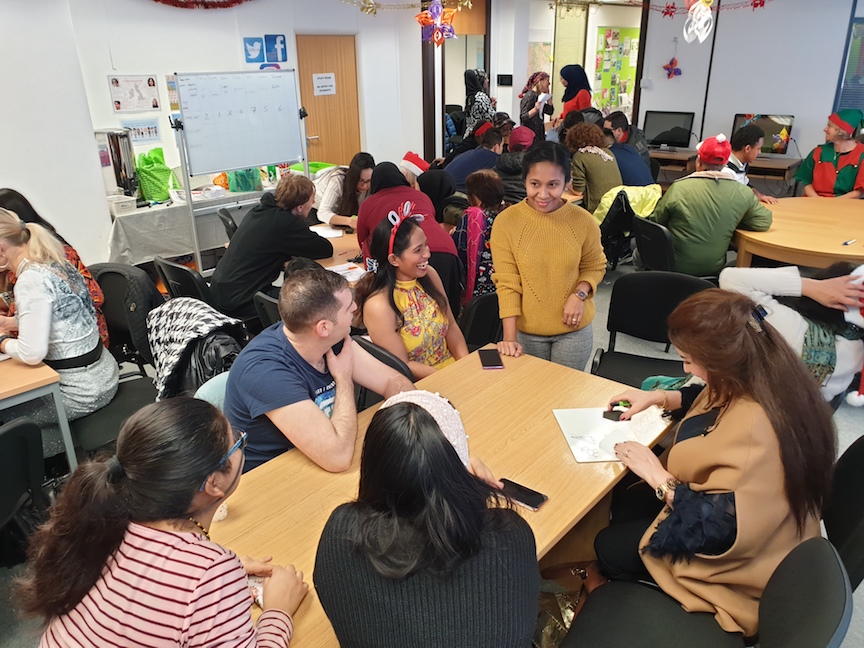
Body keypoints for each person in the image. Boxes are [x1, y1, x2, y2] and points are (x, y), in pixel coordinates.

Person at [594, 289, 836, 637]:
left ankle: (626, 602)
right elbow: (709, 396)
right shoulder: (767, 371)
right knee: (627, 501)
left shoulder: (757, 430)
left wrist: (658, 477)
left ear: (719, 362)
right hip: (768, 522)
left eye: (688, 360)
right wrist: (657, 396)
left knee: (608, 545)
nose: (685, 368)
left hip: (744, 554)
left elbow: (720, 528)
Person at [17, 398, 308, 647]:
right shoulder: (208, 575)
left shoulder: (105, 519)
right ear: (213, 483)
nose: (241, 441)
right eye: (238, 441)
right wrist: (278, 610)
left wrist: (218, 581)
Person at [315, 390, 539, 647]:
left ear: (374, 467)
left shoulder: (341, 535)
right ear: (457, 470)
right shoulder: (512, 535)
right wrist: (472, 496)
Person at [224, 263, 414, 473]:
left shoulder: (329, 338)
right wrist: (343, 379)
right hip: (274, 477)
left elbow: (393, 381)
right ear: (324, 327)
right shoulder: (266, 371)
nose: (355, 308)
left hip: (317, 456)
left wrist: (415, 421)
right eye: (348, 307)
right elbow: (338, 458)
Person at [490, 142, 606, 371]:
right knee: (529, 390)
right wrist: (509, 338)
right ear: (524, 181)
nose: (543, 194)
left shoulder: (583, 221)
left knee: (567, 391)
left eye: (553, 184)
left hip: (573, 330)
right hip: (526, 332)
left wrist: (580, 295)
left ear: (567, 182)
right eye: (535, 184)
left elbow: (595, 265)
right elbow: (507, 283)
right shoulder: (506, 222)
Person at [0, 208, 118, 425]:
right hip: (103, 374)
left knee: (5, 411)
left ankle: (57, 446)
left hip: (79, 393)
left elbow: (31, 353)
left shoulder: (30, 280)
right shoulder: (52, 259)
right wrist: (10, 323)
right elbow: (62, 315)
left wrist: (2, 341)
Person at [719, 264, 864, 406]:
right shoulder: (855, 358)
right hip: (789, 416)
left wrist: (812, 286)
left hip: (733, 402)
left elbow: (731, 279)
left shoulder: (786, 325)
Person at [356, 213, 468, 379]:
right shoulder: (378, 305)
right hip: (424, 383)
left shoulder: (429, 275)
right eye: (418, 250)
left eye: (426, 245)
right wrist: (451, 378)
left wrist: (467, 367)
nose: (427, 254)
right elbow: (403, 365)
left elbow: (451, 325)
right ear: (394, 259)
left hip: (454, 372)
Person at [209, 174, 334, 319]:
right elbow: (325, 249)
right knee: (311, 300)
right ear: (300, 207)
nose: (313, 202)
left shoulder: (260, 210)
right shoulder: (286, 223)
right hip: (242, 300)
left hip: (221, 292)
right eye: (312, 199)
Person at [649, 134, 772, 277]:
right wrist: (729, 221)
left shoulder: (679, 188)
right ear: (725, 163)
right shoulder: (743, 192)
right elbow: (764, 221)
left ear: (698, 162)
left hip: (674, 266)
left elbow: (655, 223)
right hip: (713, 269)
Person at [0, 188, 108, 348]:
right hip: (38, 342)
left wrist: (7, 330)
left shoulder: (55, 257)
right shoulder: (15, 264)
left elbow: (94, 298)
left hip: (76, 346)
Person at [356, 163, 461, 313]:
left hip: (408, 255)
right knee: (445, 309)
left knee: (411, 311)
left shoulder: (368, 204)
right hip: (445, 250)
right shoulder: (421, 196)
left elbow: (362, 239)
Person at [453, 169, 505, 305]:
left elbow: (460, 251)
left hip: (479, 290)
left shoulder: (472, 217)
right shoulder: (508, 215)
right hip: (506, 288)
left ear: (477, 198)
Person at [795, 109, 864, 198]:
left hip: (845, 203)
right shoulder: (818, 151)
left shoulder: (861, 155)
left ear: (842, 131)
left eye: (829, 126)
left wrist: (832, 203)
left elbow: (860, 191)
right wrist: (817, 200)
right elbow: (805, 181)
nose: (825, 129)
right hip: (814, 200)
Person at [565, 122, 623, 214]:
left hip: (597, 210)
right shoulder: (607, 153)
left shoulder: (580, 156)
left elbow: (578, 191)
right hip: (616, 207)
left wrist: (567, 184)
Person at [316, 151, 375, 228]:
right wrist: (349, 221)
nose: (365, 186)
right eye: (361, 180)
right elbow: (322, 213)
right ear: (353, 177)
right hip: (314, 209)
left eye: (369, 181)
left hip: (339, 214)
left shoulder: (373, 184)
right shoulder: (338, 179)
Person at [726, 124, 779, 204]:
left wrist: (760, 196)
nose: (759, 152)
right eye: (758, 149)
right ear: (747, 148)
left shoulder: (742, 164)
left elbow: (746, 185)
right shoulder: (724, 170)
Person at [445, 128, 504, 193]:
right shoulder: (494, 159)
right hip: (455, 192)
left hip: (443, 188)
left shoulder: (469, 153)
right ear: (496, 147)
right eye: (502, 146)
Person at [519, 71, 554, 143]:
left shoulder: (538, 96)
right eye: (547, 81)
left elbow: (549, 111)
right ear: (540, 81)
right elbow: (523, 117)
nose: (549, 83)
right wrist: (535, 110)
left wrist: (549, 97)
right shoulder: (531, 95)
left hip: (538, 135)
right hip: (531, 136)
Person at [463, 69, 496, 137]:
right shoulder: (481, 96)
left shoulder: (470, 97)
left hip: (469, 134)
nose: (488, 80)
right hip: (480, 135)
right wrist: (493, 108)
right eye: (486, 78)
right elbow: (492, 117)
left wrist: (489, 105)